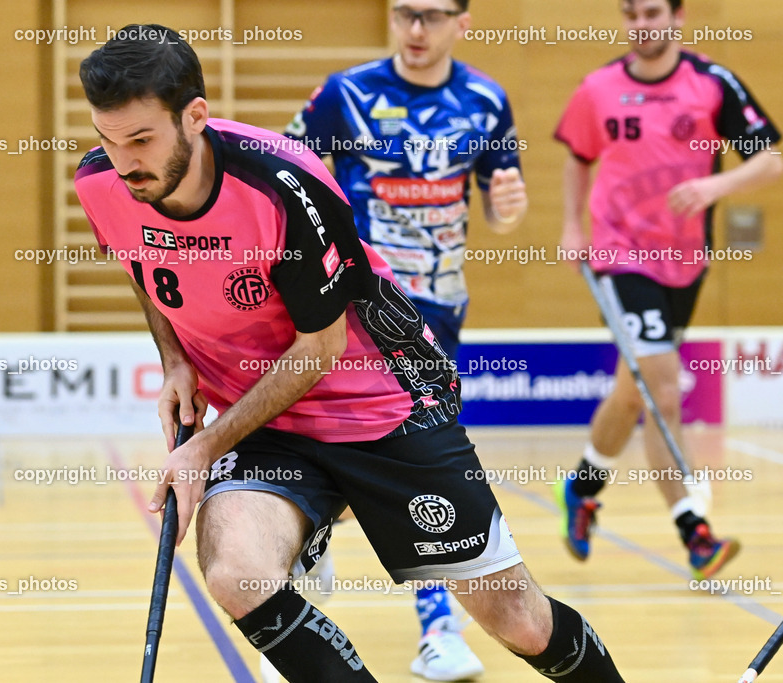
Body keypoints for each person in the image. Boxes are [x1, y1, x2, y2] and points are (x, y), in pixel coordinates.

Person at [77, 24, 626, 683]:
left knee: (522, 621)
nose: (126, 163)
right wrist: (174, 360)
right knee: (236, 571)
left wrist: (201, 448)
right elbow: (143, 265)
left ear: (195, 116)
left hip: (382, 399)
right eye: (110, 141)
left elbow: (322, 347)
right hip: (267, 419)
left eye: (141, 140)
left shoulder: (284, 187)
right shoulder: (104, 184)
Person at [284, 1, 526, 678]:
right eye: (404, 13)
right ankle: (437, 625)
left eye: (433, 15)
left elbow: (501, 197)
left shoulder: (485, 100)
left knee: (403, 453)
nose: (416, 30)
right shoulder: (346, 93)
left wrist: (509, 211)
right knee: (406, 453)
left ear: (462, 21)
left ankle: (312, 524)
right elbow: (284, 172)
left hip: (440, 305)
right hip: (366, 299)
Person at [553, 0, 781, 578]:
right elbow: (578, 157)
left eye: (653, 14)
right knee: (662, 389)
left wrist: (714, 187)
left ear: (677, 18)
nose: (641, 26)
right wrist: (573, 226)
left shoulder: (712, 83)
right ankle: (694, 532)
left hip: (685, 261)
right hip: (620, 257)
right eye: (631, 15)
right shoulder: (598, 88)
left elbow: (771, 159)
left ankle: (580, 488)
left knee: (633, 393)